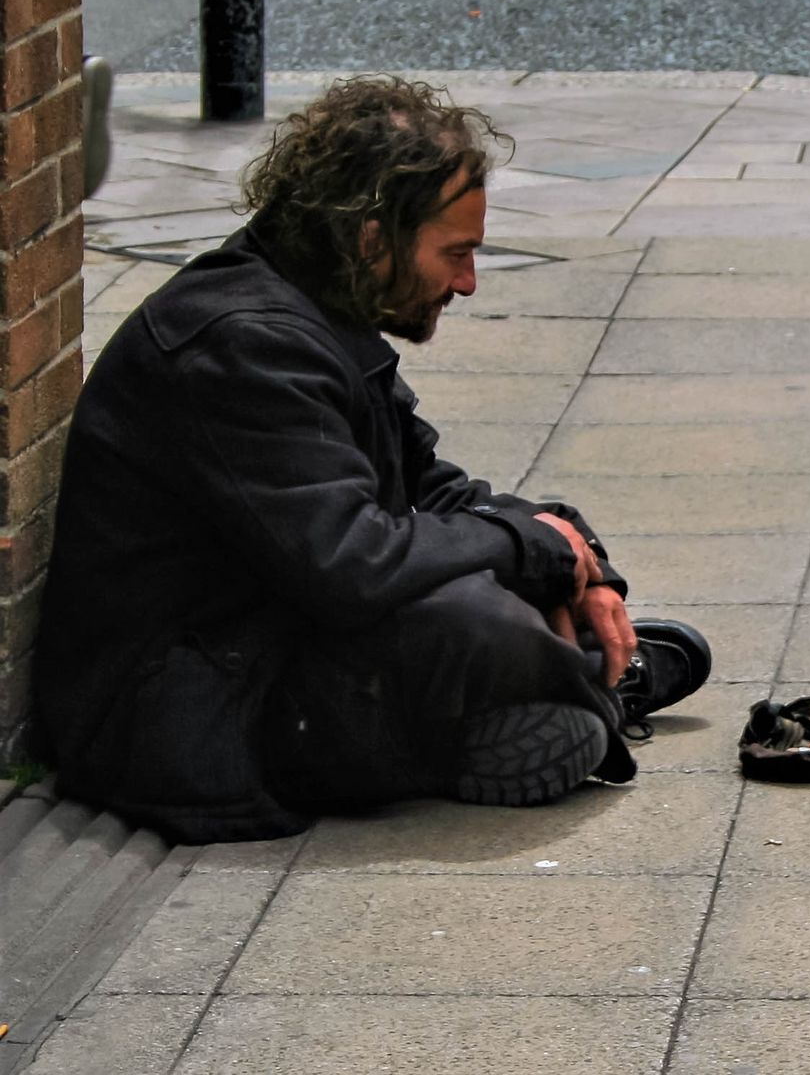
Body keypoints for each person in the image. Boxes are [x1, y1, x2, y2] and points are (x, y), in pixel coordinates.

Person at [30, 76, 709, 844]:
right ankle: (592, 687)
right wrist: (536, 551)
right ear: (371, 237)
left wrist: (572, 555)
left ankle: (566, 676)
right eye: (454, 253)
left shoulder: (313, 310)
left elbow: (438, 493)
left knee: (487, 576)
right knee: (469, 615)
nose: (467, 282)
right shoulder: (242, 345)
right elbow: (353, 564)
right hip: (186, 725)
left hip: (266, 645)